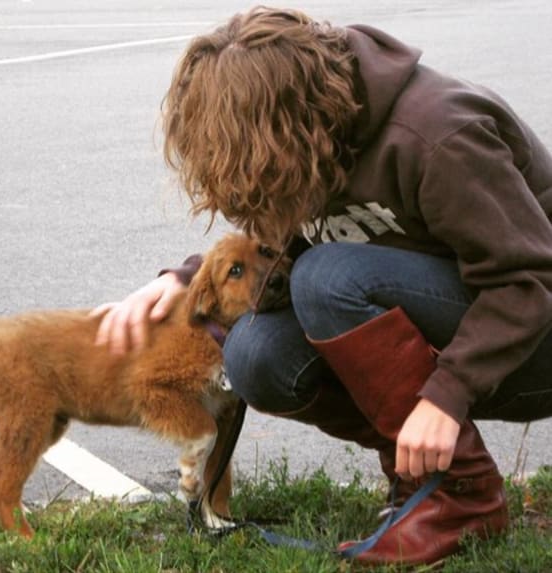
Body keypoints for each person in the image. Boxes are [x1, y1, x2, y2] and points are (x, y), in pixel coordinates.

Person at [93, 6, 552, 566]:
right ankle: (417, 477)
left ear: (287, 122)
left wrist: (447, 394)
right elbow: (281, 239)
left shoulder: (436, 135)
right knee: (255, 354)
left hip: (533, 345)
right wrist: (188, 281)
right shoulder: (315, 139)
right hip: (459, 328)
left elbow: (528, 279)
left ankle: (465, 496)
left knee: (328, 278)